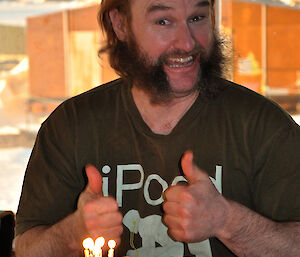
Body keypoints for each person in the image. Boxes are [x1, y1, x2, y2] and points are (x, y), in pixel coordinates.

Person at [14, 0, 300, 256]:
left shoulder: (265, 127)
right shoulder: (70, 125)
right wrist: (73, 232)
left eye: (198, 18)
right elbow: (26, 248)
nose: (187, 43)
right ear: (121, 24)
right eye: (163, 21)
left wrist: (226, 220)